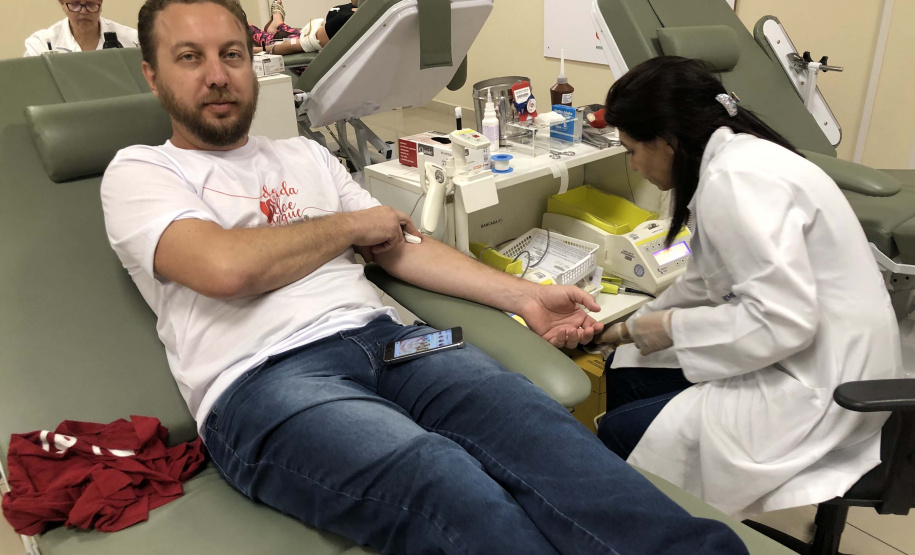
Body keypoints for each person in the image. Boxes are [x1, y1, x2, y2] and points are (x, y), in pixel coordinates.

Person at [100, 1, 749, 553]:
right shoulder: (141, 172)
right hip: (265, 377)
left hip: (394, 339)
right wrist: (349, 227)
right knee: (445, 476)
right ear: (152, 75)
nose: (217, 75)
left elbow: (401, 246)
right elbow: (223, 267)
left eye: (232, 55)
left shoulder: (300, 153)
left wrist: (525, 296)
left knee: (535, 423)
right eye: (190, 58)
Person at [594, 56, 905, 520]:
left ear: (667, 142)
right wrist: (621, 330)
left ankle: (657, 528)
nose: (634, 165)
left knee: (621, 433)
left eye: (632, 150)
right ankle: (658, 501)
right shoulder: (739, 157)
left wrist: (673, 325)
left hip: (824, 386)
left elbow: (784, 323)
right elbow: (705, 281)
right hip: (826, 353)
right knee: (629, 364)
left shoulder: (736, 182)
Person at [24, 1, 138, 56]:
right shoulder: (40, 44)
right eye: (75, 4)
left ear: (101, 2)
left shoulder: (132, 40)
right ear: (62, 3)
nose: (83, 11)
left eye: (90, 4)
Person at [250, 0, 358, 56]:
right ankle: (277, 25)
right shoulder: (371, 14)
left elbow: (301, 44)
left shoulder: (347, 19)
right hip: (324, 43)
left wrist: (259, 50)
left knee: (288, 38)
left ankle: (251, 28)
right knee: (293, 36)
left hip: (320, 63)